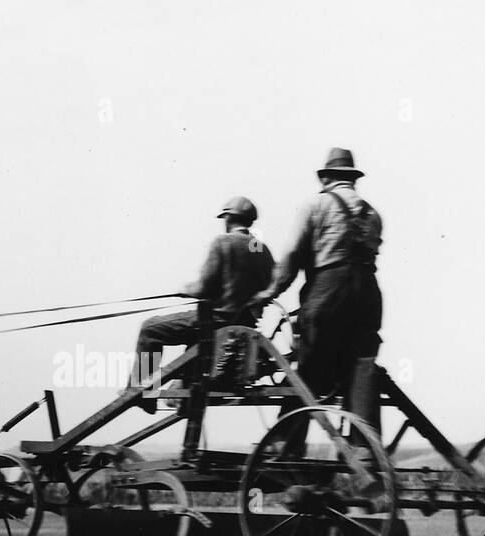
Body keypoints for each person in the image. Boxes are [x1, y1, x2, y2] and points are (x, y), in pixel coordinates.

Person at [252, 147, 384, 435]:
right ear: (352, 179)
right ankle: (364, 449)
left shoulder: (315, 206)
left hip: (329, 292)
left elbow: (292, 256)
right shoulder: (373, 213)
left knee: (309, 370)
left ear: (326, 178)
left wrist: (270, 291)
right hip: (368, 295)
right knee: (362, 366)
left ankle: (285, 448)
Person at [132, 196, 274, 411]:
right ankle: (171, 392)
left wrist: (185, 289)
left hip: (216, 322)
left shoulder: (223, 242)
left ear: (228, 218)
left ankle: (141, 391)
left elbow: (203, 288)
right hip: (245, 327)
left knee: (150, 329)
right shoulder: (262, 250)